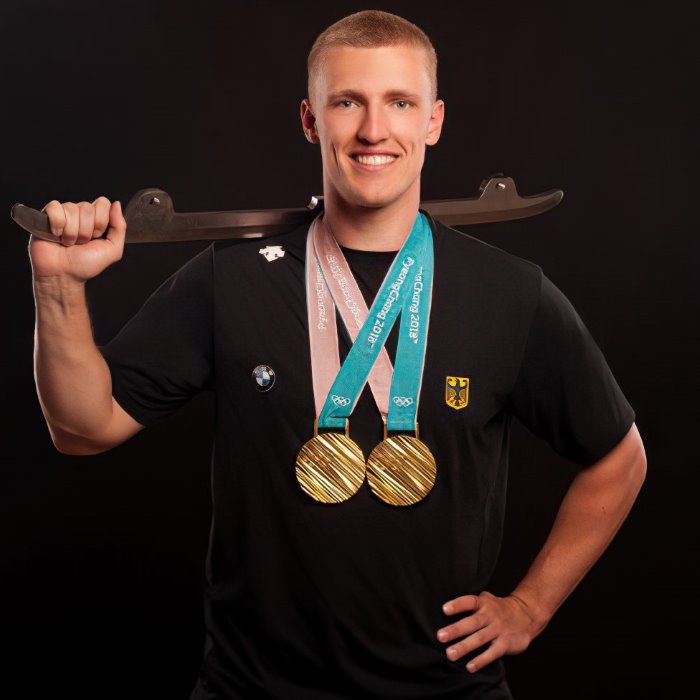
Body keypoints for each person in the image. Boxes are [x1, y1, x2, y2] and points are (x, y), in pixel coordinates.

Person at [29, 9, 646, 700]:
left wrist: (531, 606)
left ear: (434, 121)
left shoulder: (510, 293)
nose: (374, 130)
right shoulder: (229, 280)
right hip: (254, 690)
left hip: (445, 691)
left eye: (400, 103)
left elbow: (620, 457)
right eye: (347, 102)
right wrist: (58, 287)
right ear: (310, 120)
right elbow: (83, 428)